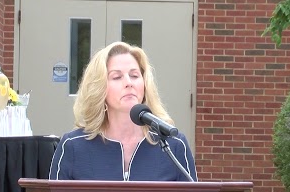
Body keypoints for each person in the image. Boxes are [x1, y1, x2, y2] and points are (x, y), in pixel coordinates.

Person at [49, 41, 197, 182]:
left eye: (134, 75)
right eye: (117, 77)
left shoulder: (174, 146)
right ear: (99, 89)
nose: (129, 83)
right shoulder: (73, 146)